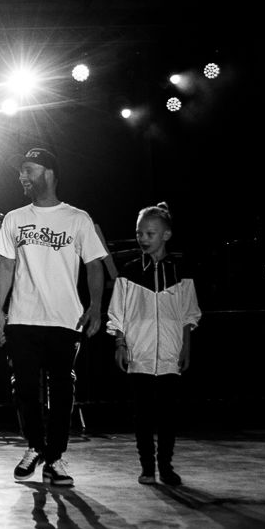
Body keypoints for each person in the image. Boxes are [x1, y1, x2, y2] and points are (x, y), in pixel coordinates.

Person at [0, 148, 107, 486]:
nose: (22, 176)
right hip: (23, 318)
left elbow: (95, 265)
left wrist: (96, 306)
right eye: (21, 171)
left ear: (49, 174)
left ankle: (54, 458)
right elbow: (5, 266)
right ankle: (35, 447)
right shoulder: (14, 218)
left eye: (28, 169)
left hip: (64, 320)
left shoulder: (77, 218)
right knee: (24, 390)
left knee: (61, 392)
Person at [107, 202, 200, 485]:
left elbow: (188, 313)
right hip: (140, 352)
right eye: (140, 233)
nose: (143, 239)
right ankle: (147, 467)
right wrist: (120, 344)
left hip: (171, 353)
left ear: (166, 235)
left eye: (150, 233)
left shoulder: (180, 271)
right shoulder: (129, 271)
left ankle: (166, 467)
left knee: (168, 414)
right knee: (143, 414)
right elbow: (118, 313)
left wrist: (185, 347)